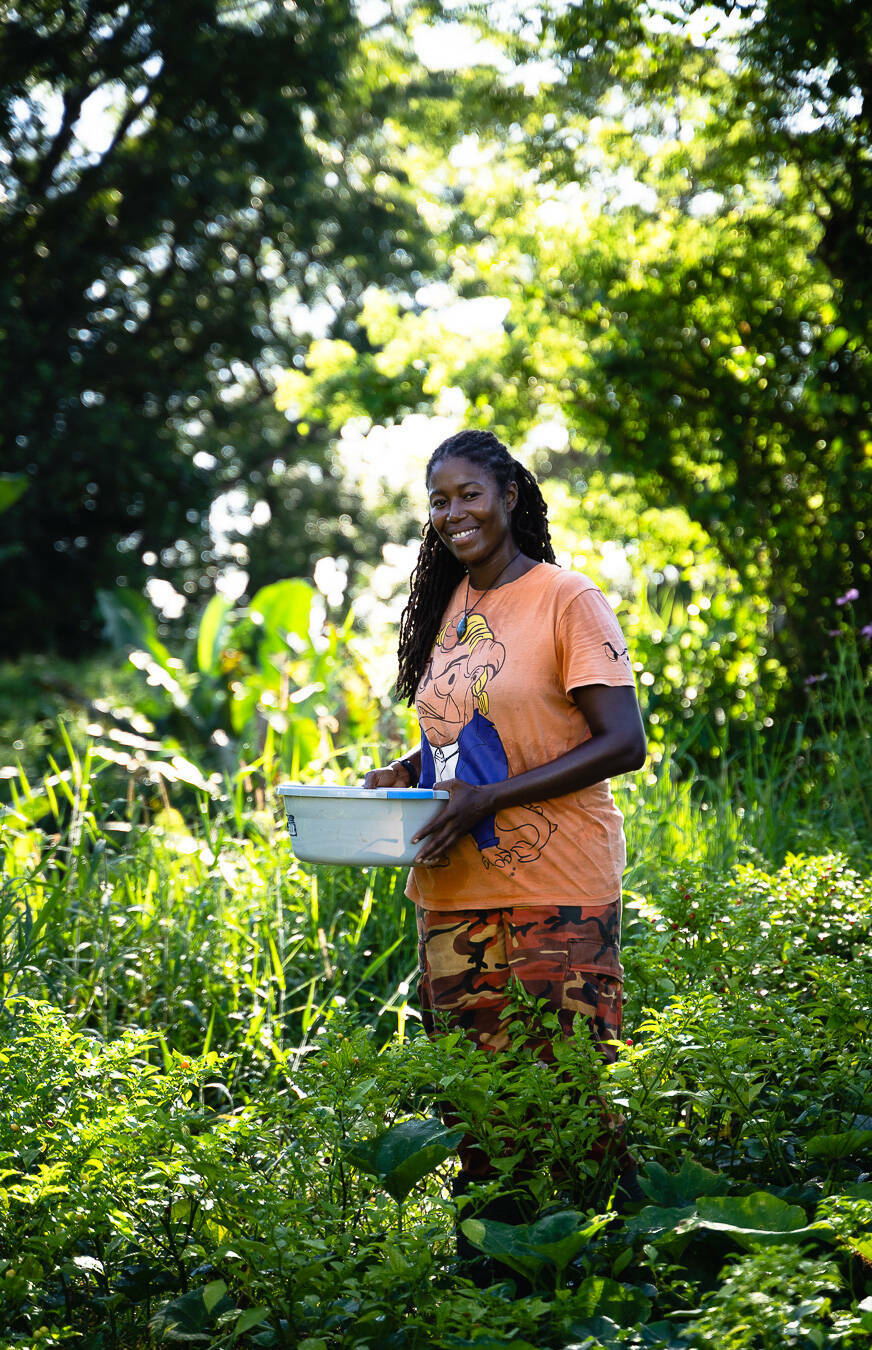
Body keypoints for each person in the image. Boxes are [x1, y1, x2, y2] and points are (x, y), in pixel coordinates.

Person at [363, 427, 646, 1231]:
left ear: (510, 496)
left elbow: (624, 743)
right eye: (439, 501)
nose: (453, 513)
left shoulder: (567, 599)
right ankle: (493, 1272)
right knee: (476, 1112)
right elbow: (460, 735)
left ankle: (614, 1265)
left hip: (557, 892)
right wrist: (404, 771)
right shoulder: (448, 606)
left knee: (576, 1101)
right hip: (453, 894)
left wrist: (490, 801)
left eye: (470, 495)